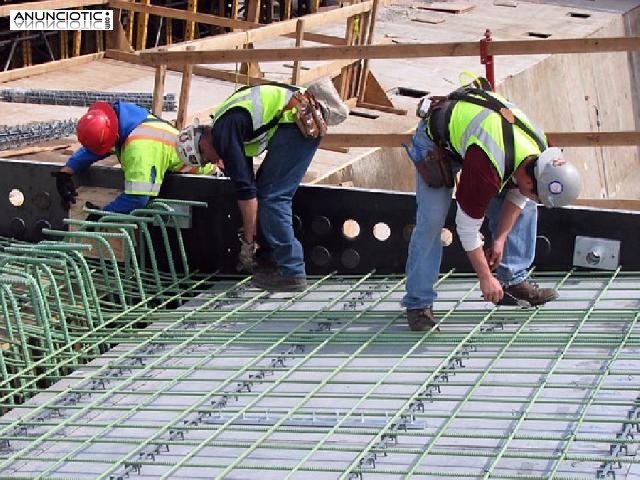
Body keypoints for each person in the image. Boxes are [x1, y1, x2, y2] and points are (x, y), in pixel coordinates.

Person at [401, 78, 581, 332]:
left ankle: (513, 280)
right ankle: (418, 305)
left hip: (478, 143)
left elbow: (521, 196)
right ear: (529, 179)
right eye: (535, 193)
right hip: (437, 143)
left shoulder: (543, 154)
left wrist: (499, 240)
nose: (534, 198)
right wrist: (485, 278)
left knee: (525, 207)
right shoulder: (488, 168)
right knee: (431, 221)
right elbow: (466, 228)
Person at [176, 78, 349, 292]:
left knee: (273, 197)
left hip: (297, 120)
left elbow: (247, 195)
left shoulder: (223, 133)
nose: (211, 162)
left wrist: (248, 243)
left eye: (205, 158)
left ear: (202, 143)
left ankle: (291, 272)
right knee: (266, 193)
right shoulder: (228, 126)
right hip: (298, 117)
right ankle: (271, 260)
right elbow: (246, 186)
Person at [52, 101, 214, 215]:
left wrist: (103, 215)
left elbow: (138, 198)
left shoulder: (139, 148)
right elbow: (99, 145)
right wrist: (67, 171)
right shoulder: (125, 116)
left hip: (202, 175)